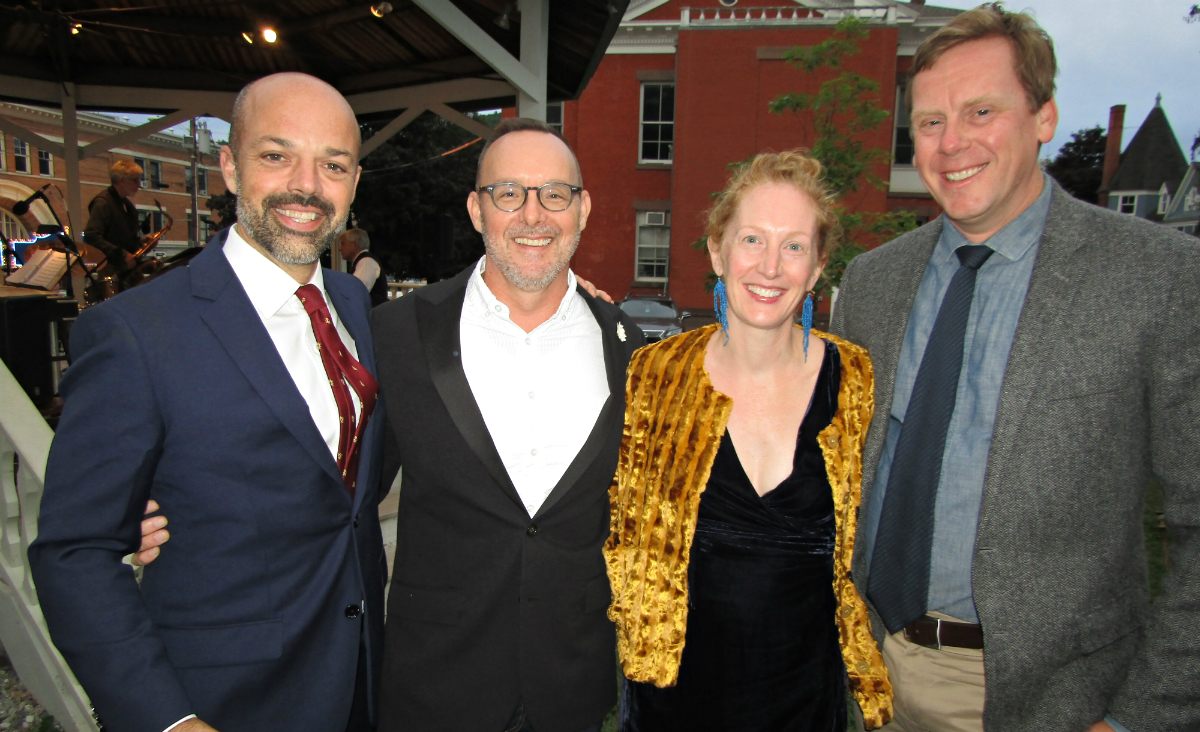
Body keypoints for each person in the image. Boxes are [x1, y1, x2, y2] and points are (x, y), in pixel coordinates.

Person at [830, 5, 1200, 732]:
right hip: (872, 677)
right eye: (930, 121)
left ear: (1044, 117)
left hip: (1053, 698)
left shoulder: (1157, 278)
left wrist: (1139, 717)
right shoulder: (873, 283)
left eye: (982, 111)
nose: (951, 142)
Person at [28, 72, 387, 732]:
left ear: (355, 182)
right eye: (276, 155)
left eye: (333, 164)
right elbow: (72, 553)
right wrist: (167, 720)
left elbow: (352, 478)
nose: (306, 185)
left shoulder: (353, 306)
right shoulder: (135, 332)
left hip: (358, 679)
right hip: (223, 699)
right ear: (229, 166)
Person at [370, 117, 644, 732]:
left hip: (571, 688)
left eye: (555, 194)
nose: (533, 215)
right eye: (508, 193)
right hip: (435, 685)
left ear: (582, 210)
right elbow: (345, 493)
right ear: (476, 209)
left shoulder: (627, 347)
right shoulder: (398, 334)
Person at [605, 150, 893, 732]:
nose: (770, 267)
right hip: (673, 704)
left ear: (817, 268)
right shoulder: (656, 375)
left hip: (804, 702)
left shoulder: (856, 382)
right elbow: (620, 527)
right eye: (752, 239)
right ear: (718, 251)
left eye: (794, 246)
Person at [84, 159, 152, 276]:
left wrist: (140, 242)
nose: (139, 185)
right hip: (111, 271)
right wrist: (123, 254)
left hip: (125, 270)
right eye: (135, 180)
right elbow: (91, 235)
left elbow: (119, 237)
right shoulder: (103, 203)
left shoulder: (125, 204)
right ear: (122, 181)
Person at [339, 228, 388, 307]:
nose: (340, 249)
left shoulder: (366, 262)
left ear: (355, 245)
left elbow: (355, 292)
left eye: (343, 244)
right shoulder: (363, 262)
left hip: (373, 313)